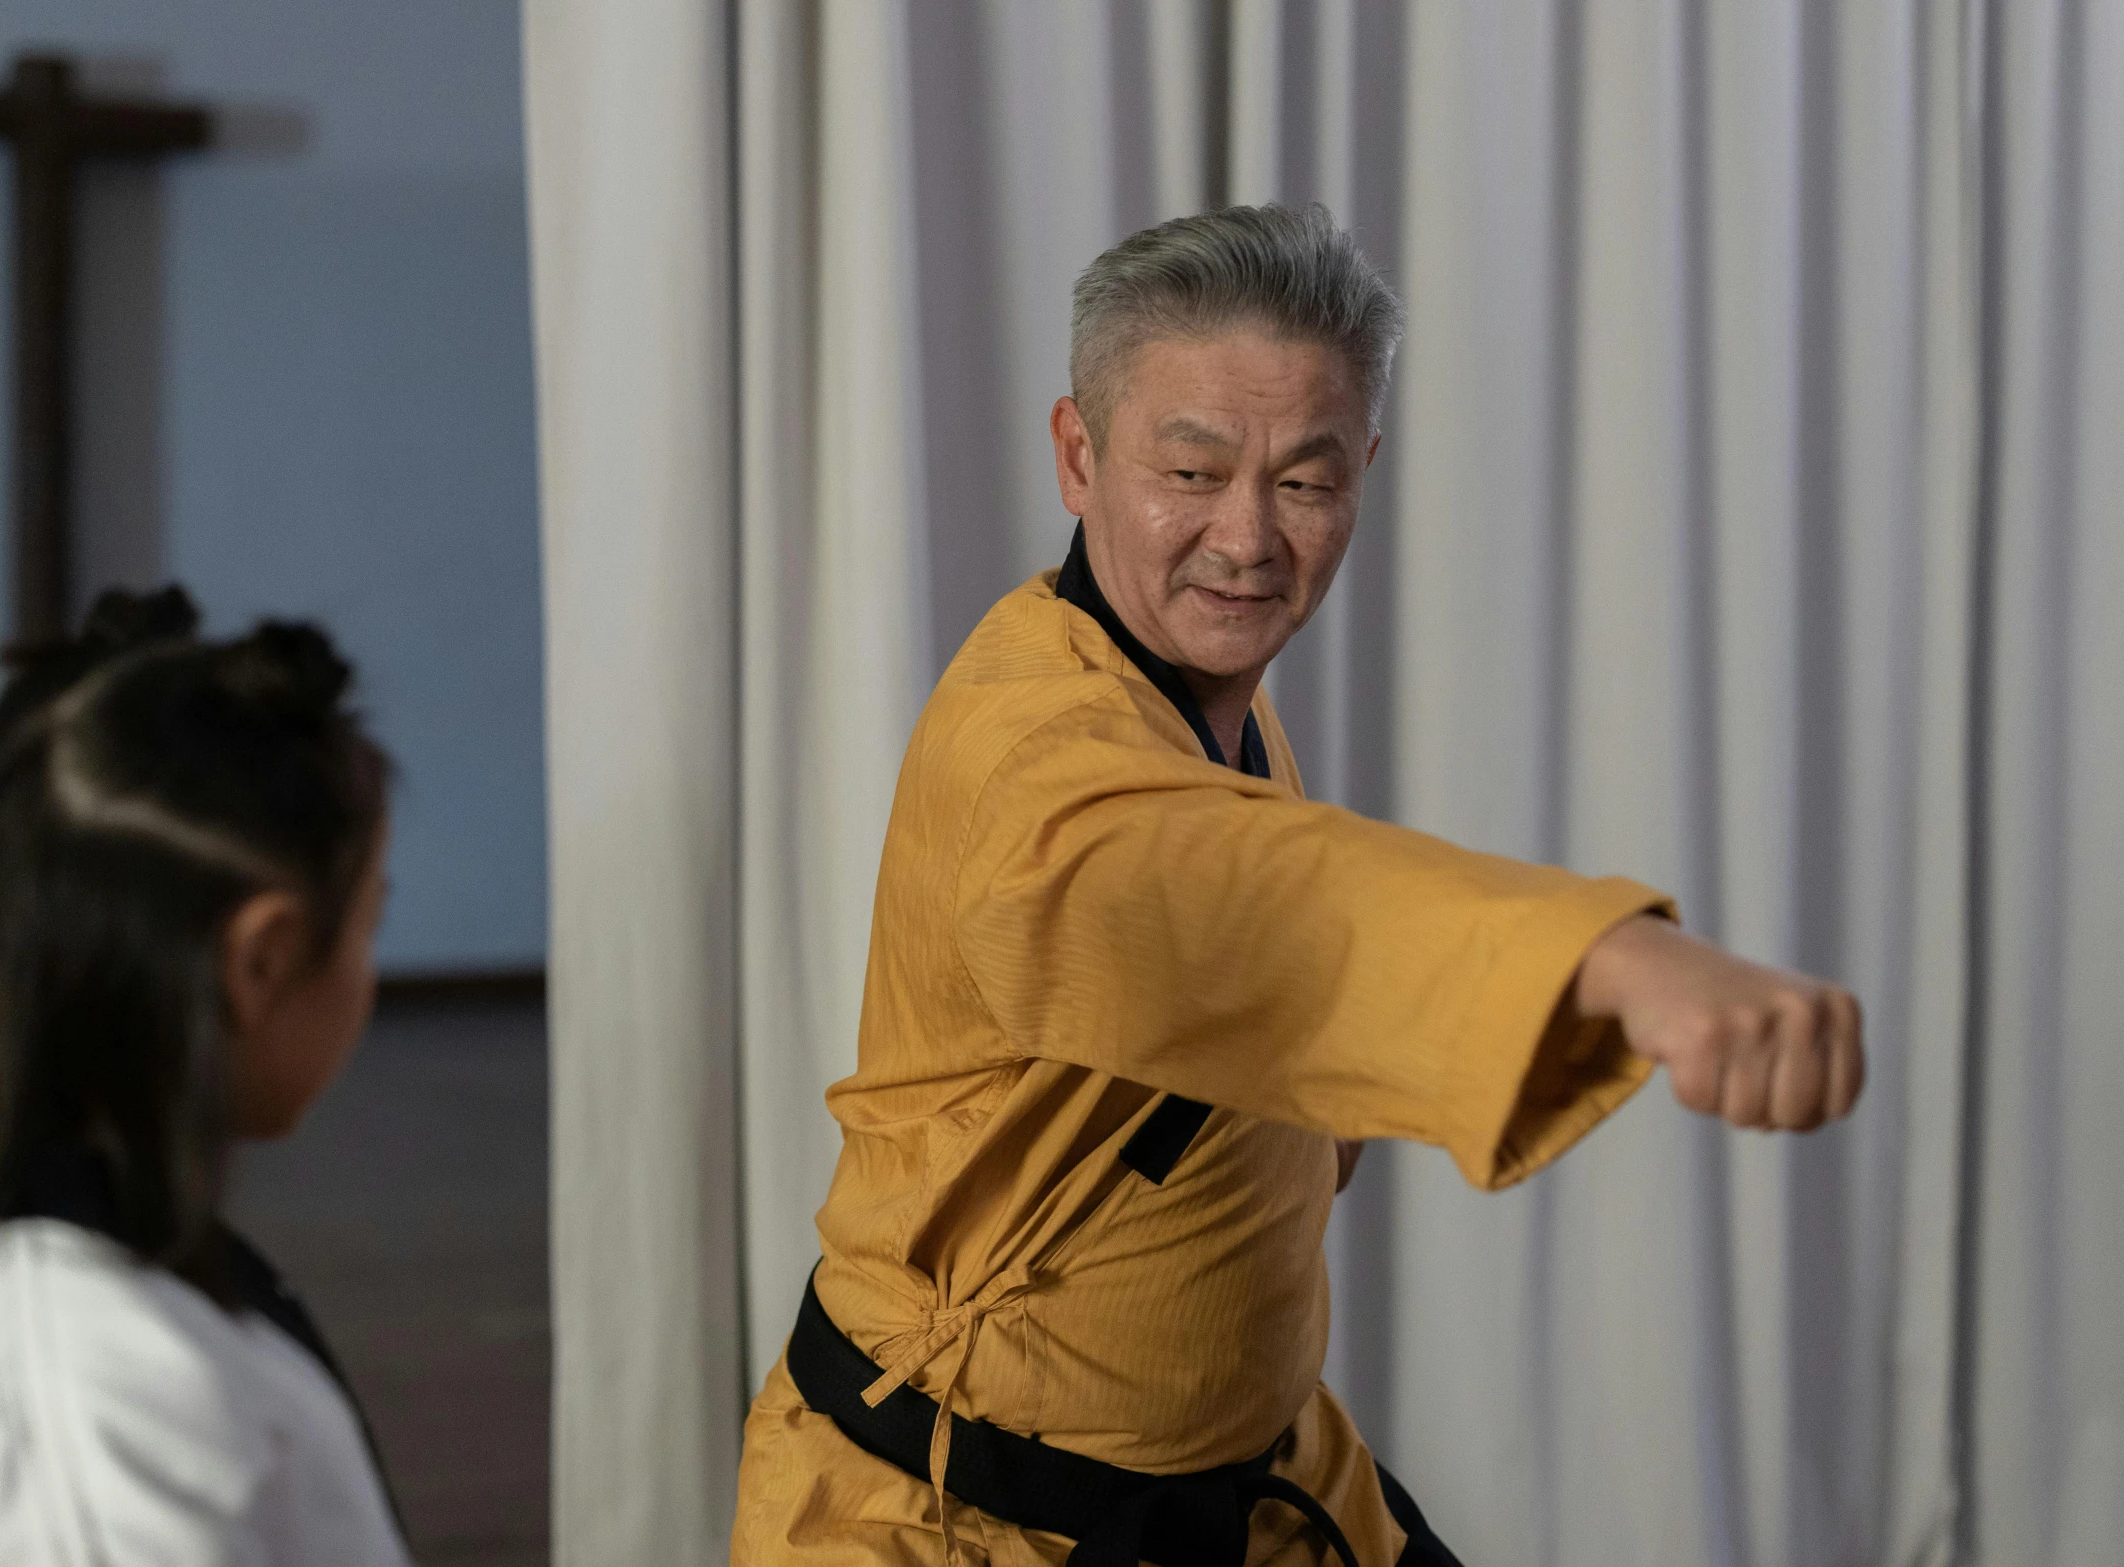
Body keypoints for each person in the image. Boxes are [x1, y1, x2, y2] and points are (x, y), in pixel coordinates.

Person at [729, 204, 1865, 1567]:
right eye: (1192, 471)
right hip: (958, 1511)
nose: (1247, 538)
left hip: (1253, 1474)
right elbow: (1249, 900)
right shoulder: (1031, 749)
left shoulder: (1207, 698)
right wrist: (1617, 961)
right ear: (1078, 454)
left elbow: (1240, 980)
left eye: (1306, 483)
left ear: (1364, 473)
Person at [0, 588, 409, 1567]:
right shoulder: (96, 1428)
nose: (370, 967)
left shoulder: (103, 1276)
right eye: (371, 918)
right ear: (261, 960)